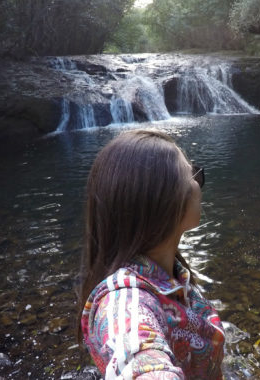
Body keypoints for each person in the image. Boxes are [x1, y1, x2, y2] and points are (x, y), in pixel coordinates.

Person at [77, 129, 224, 379]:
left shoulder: (169, 275)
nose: (200, 185)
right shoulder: (125, 301)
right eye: (194, 174)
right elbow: (139, 353)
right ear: (162, 198)